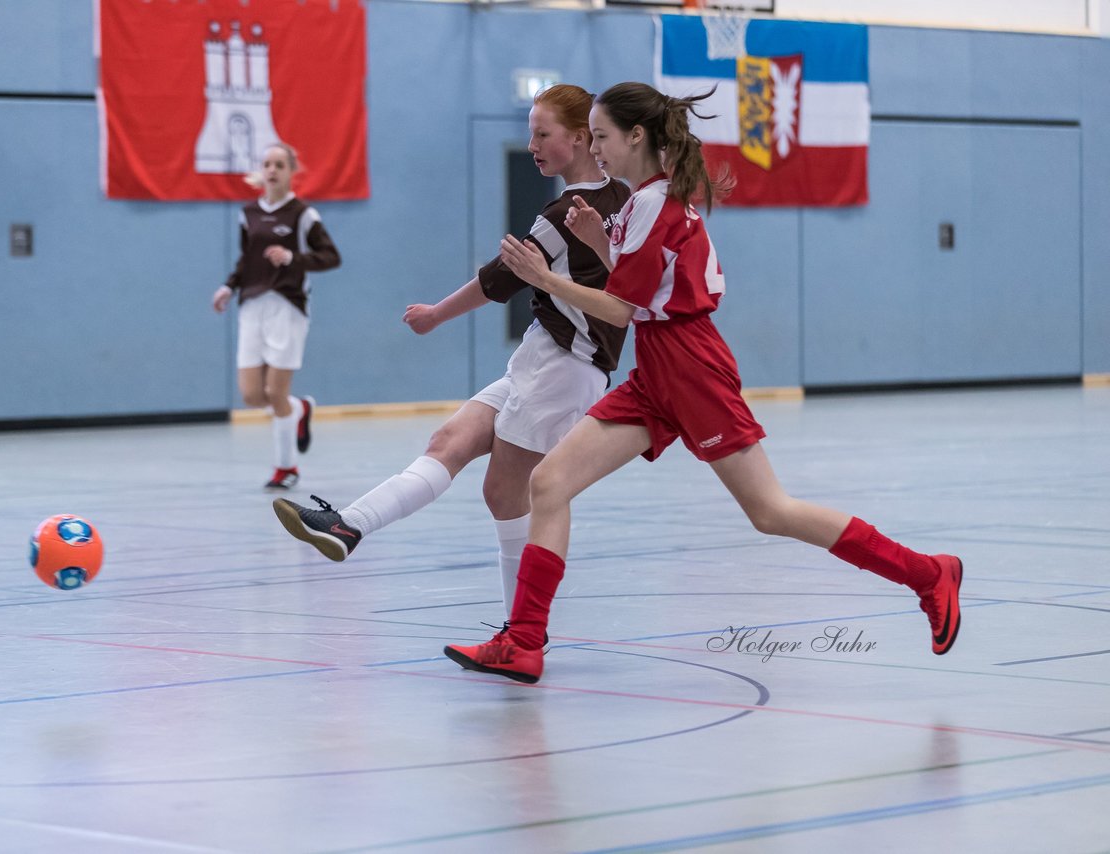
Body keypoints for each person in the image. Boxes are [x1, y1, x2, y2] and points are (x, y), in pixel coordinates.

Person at [444, 82, 963, 684]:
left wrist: (545, 276)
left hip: (692, 369)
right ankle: (524, 642)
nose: (598, 150)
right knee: (550, 482)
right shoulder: (644, 202)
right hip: (658, 369)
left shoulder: (655, 204)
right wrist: (594, 244)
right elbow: (645, 289)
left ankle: (929, 573)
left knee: (770, 512)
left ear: (635, 136)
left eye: (604, 137)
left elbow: (618, 310)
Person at [271, 84, 632, 623]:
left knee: (506, 493)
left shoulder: (568, 214)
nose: (532, 144)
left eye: (542, 134)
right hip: (539, 356)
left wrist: (436, 314)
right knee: (449, 442)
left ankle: (522, 630)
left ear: (580, 138)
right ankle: (350, 525)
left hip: (565, 367)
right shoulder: (612, 199)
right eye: (529, 133)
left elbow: (498, 279)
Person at [212, 142, 341, 490]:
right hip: (252, 306)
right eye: (267, 163)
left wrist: (293, 257)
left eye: (279, 164)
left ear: (291, 170)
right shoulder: (248, 214)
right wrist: (229, 286)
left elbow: (331, 257)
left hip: (288, 306)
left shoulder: (304, 215)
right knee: (253, 395)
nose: (272, 170)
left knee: (276, 391)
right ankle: (299, 410)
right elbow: (246, 259)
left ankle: (287, 468)